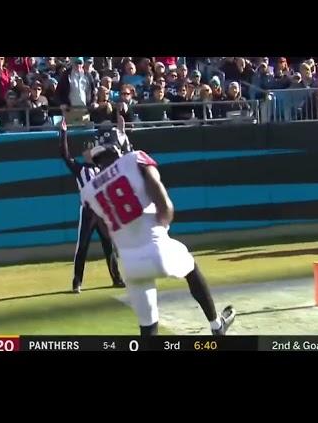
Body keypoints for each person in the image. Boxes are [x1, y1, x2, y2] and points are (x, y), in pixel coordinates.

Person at [79, 139, 236, 336]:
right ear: (118, 151)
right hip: (156, 248)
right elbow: (165, 205)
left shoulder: (89, 190)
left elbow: (105, 229)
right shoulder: (134, 159)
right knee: (191, 267)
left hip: (130, 263)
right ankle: (216, 326)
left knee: (148, 328)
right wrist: (162, 224)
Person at [59, 117, 125, 293]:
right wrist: (63, 133)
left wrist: (121, 130)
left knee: (108, 245)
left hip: (103, 211)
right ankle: (77, 282)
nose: (92, 152)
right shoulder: (80, 169)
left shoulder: (101, 167)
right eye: (89, 149)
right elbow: (64, 154)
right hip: (88, 211)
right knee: (83, 246)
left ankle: (116, 278)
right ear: (84, 153)